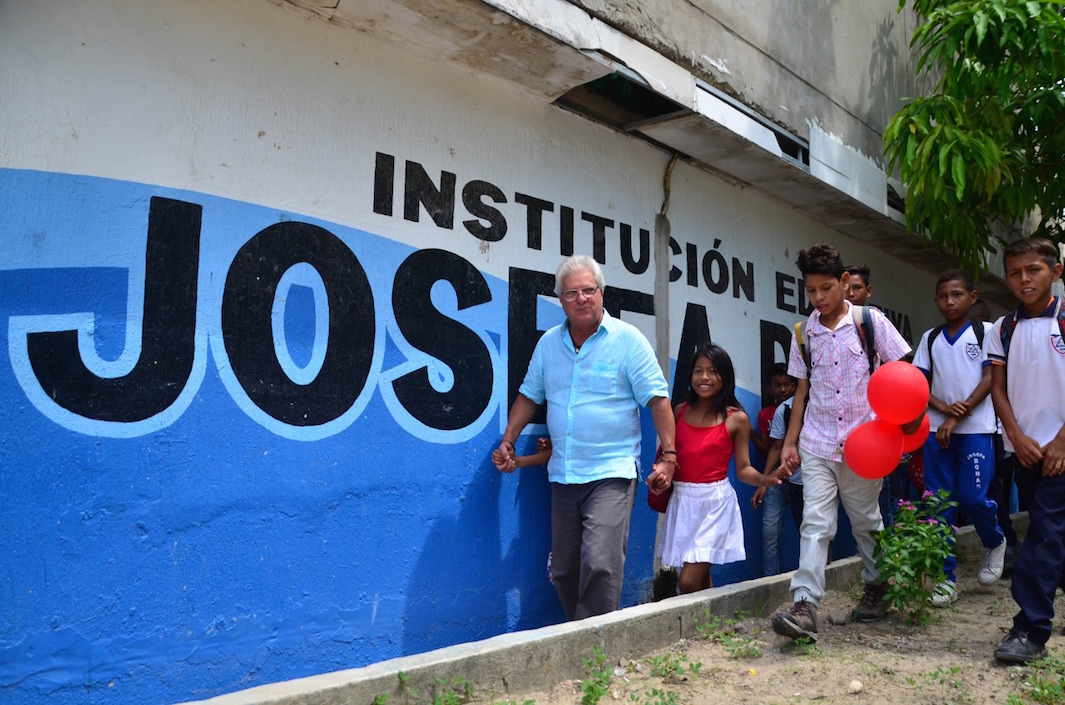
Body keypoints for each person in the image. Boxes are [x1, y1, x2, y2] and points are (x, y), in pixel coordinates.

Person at [494, 255, 676, 621]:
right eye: (572, 293)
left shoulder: (628, 341)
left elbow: (657, 399)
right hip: (563, 474)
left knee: (600, 564)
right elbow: (530, 394)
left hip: (611, 471)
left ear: (602, 293)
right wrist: (509, 440)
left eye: (588, 290)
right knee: (563, 570)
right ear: (560, 300)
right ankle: (584, 636)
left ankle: (595, 652)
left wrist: (669, 456)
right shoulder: (548, 344)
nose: (581, 299)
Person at [770, 243, 912, 642]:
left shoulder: (870, 321)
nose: (819, 298)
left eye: (827, 288)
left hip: (863, 444)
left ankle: (878, 585)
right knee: (815, 523)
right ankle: (805, 606)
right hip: (817, 441)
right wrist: (790, 443)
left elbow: (902, 374)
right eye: (811, 291)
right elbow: (801, 392)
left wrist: (894, 427)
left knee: (867, 522)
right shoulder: (804, 332)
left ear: (845, 282)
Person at [987, 237, 1065, 663]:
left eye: (1033, 270)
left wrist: (1061, 442)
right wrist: (1015, 436)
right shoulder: (1004, 328)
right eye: (1015, 272)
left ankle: (1030, 629)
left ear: (1055, 272)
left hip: (1060, 449)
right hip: (1026, 449)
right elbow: (998, 390)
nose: (1024, 279)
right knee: (1048, 528)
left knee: (1044, 534)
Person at [654, 343, 785, 593]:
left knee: (688, 581)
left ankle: (703, 626)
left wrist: (765, 480)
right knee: (700, 578)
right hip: (683, 501)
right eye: (698, 371)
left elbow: (743, 467)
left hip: (715, 504)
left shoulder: (737, 418)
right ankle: (708, 625)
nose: (704, 378)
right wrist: (660, 472)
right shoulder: (679, 411)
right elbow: (668, 456)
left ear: (724, 377)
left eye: (712, 371)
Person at [911, 269, 1005, 607]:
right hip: (937, 434)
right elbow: (918, 385)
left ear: (972, 297)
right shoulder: (930, 338)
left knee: (974, 499)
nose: (949, 302)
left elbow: (990, 379)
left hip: (976, 429)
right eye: (942, 296)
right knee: (938, 506)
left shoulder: (987, 332)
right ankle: (944, 579)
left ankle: (994, 541)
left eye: (957, 295)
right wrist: (940, 408)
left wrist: (953, 416)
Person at [970, 297, 1019, 574]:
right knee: (992, 488)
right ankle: (1007, 544)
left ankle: (1008, 544)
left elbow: (995, 383)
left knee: (992, 488)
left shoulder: (992, 333)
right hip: (995, 429)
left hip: (995, 429)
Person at [753, 391, 804, 576]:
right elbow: (776, 447)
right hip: (780, 480)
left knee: (814, 533)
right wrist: (764, 482)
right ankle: (770, 581)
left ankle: (818, 577)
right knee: (769, 534)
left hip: (809, 483)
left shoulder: (822, 406)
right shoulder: (786, 409)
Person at [752, 363, 794, 456]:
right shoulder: (764, 414)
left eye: (786, 385)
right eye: (777, 385)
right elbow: (766, 449)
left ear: (793, 386)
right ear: (770, 388)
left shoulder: (799, 411)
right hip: (776, 464)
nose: (782, 389)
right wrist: (752, 436)